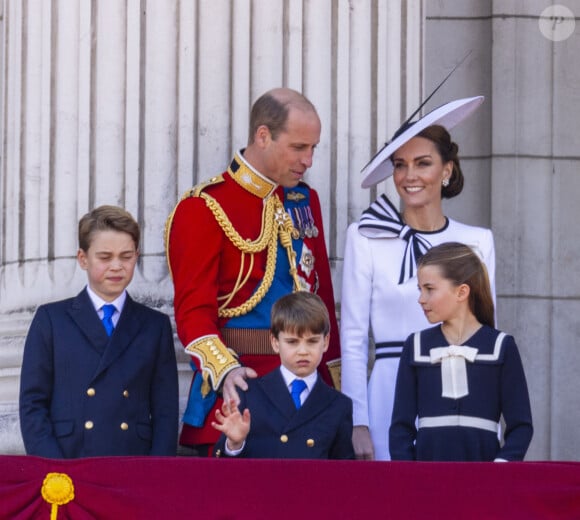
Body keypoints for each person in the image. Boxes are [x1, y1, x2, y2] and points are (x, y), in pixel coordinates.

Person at [165, 87, 341, 454]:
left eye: (313, 148)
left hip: (308, 391)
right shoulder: (204, 207)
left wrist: (336, 387)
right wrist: (225, 369)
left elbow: (323, 303)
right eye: (298, 147)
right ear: (263, 136)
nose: (308, 160)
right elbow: (193, 312)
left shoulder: (304, 201)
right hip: (241, 384)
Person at [340, 96, 496, 460]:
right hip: (387, 392)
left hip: (459, 390)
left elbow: (488, 336)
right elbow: (352, 338)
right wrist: (357, 420)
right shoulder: (365, 236)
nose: (409, 176)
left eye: (422, 163)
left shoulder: (477, 241)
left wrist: (491, 419)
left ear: (446, 170)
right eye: (400, 165)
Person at [19, 205, 179, 458]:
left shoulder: (154, 326)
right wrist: (54, 469)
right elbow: (33, 405)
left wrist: (155, 473)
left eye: (126, 256)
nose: (116, 266)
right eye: (105, 257)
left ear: (137, 255)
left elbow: (165, 412)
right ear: (83, 258)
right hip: (69, 461)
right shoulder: (51, 320)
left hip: (132, 463)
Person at [389, 242, 533, 461]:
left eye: (429, 289)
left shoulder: (501, 346)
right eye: (420, 290)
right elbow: (401, 426)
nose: (421, 299)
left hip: (484, 476)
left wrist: (502, 467)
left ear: (462, 291)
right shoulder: (416, 346)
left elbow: (521, 425)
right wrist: (409, 472)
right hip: (427, 476)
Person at [211, 292, 354, 459]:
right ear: (275, 342)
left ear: (326, 342)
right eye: (292, 342)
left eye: (312, 341)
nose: (303, 351)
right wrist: (234, 444)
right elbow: (221, 470)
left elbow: (343, 474)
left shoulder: (338, 405)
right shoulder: (250, 394)